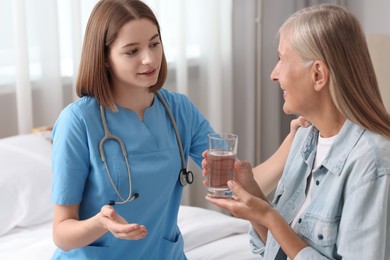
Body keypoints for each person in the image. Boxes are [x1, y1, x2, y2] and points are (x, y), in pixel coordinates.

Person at [204, 4, 390, 260]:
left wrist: (269, 216)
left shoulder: (372, 163)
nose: (273, 74)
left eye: (281, 59)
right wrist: (253, 197)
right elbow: (276, 250)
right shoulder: (305, 138)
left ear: (318, 74)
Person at [50, 0, 216, 259]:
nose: (149, 59)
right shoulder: (78, 121)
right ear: (104, 59)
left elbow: (234, 182)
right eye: (132, 51)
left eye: (154, 43)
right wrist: (100, 223)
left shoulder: (179, 111)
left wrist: (295, 139)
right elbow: (62, 233)